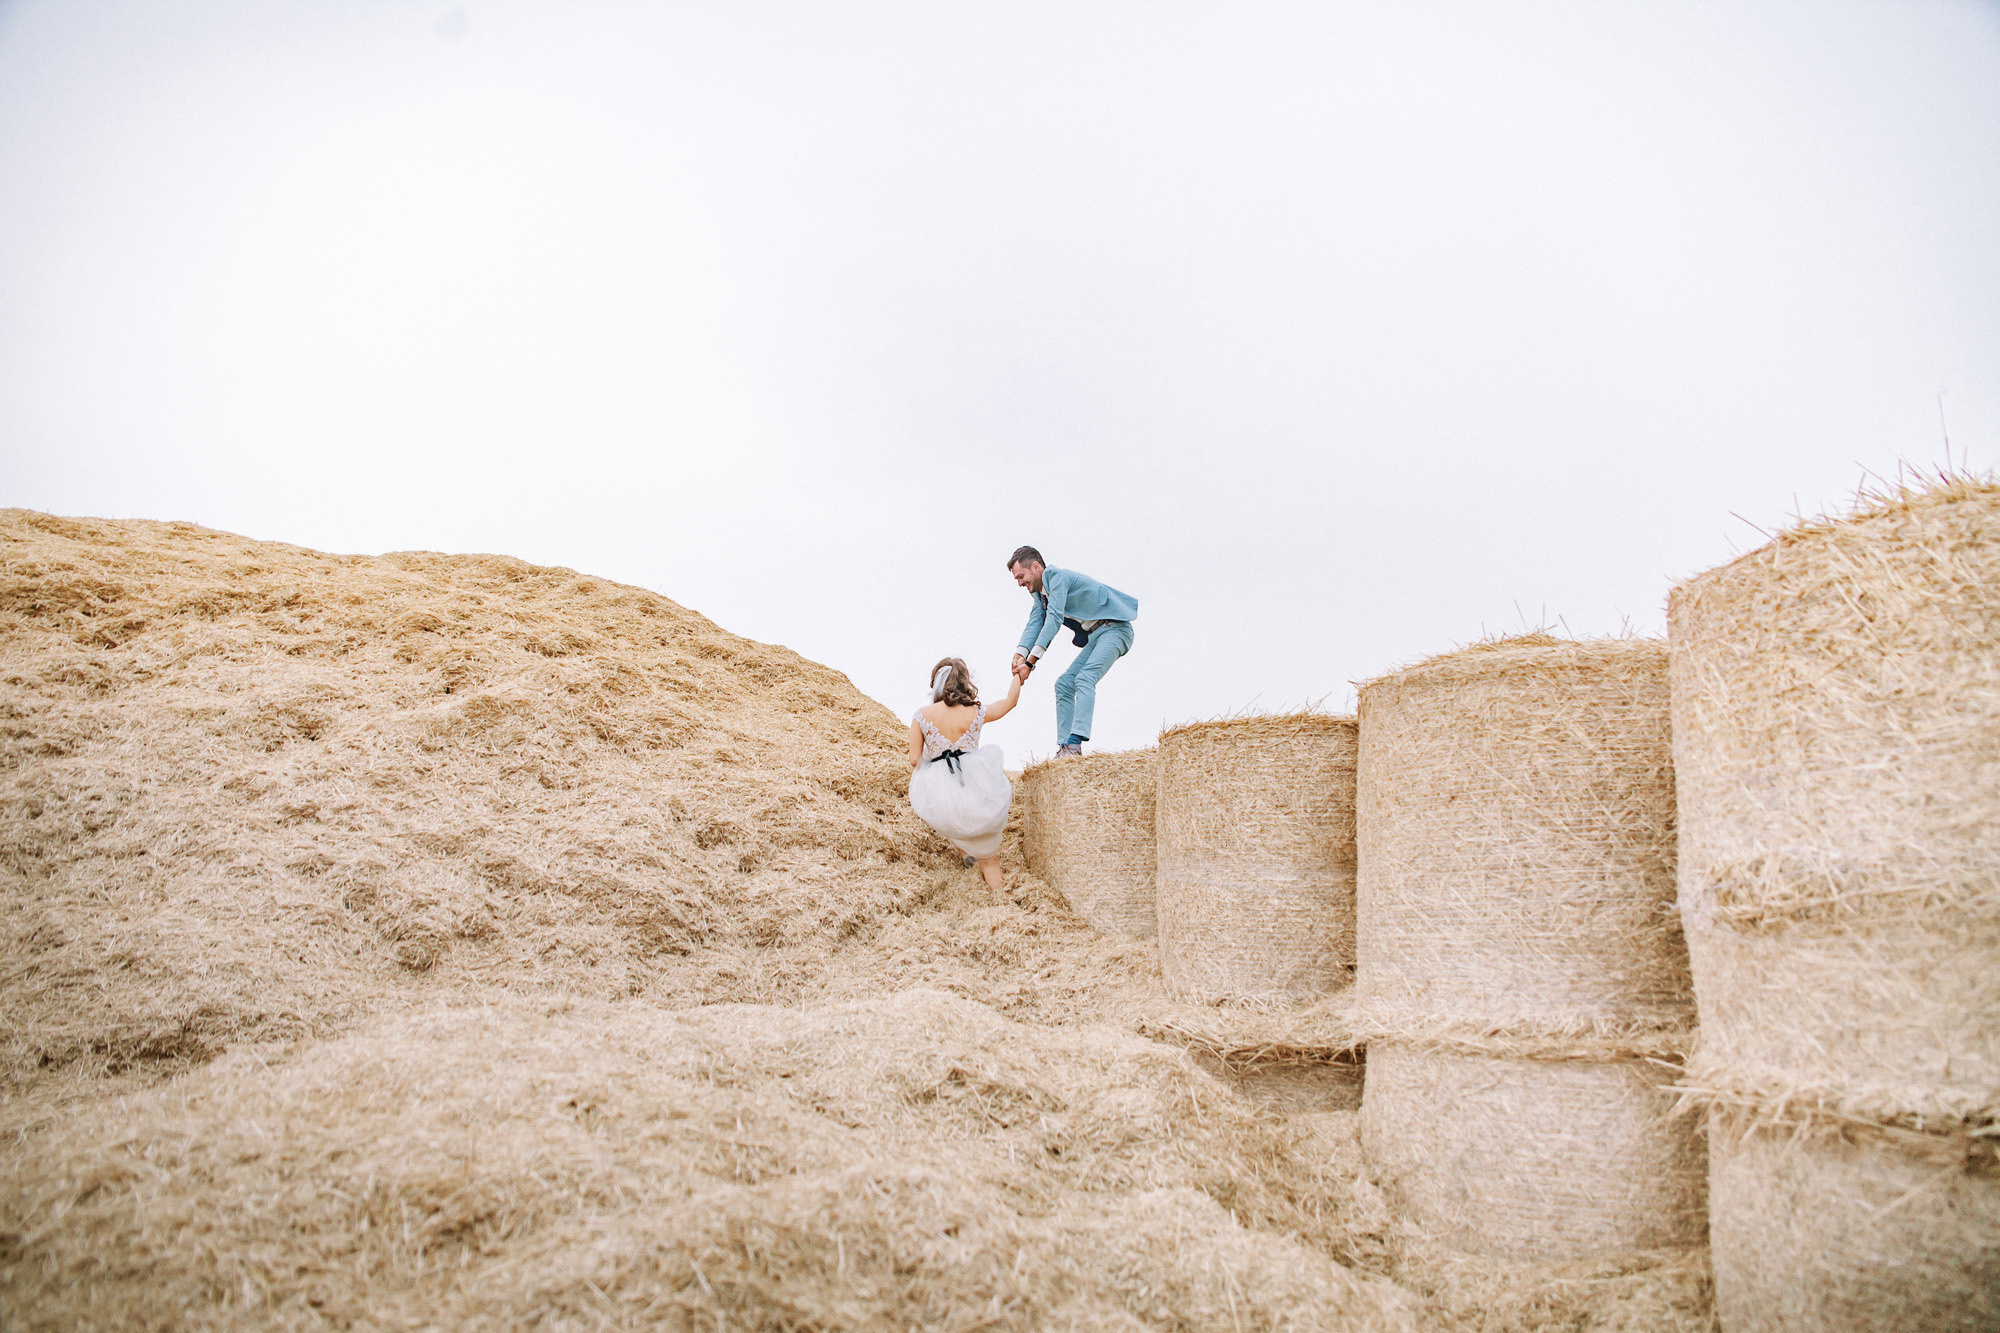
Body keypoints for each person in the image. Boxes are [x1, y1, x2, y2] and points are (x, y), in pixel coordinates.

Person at [1006, 546, 1138, 757]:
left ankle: (1075, 744)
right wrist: (1019, 654)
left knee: (1085, 678)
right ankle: (1065, 750)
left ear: (1036, 566)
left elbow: (1054, 619)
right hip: (1095, 636)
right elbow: (1035, 622)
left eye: (1021, 576)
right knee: (1064, 684)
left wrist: (1030, 663)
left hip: (1115, 629)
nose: (1020, 583)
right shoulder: (1041, 595)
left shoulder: (1056, 577)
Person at [906, 656, 1020, 893]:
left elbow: (914, 759)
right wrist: (1020, 674)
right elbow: (1010, 702)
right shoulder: (976, 712)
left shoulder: (921, 715)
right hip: (976, 783)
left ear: (937, 682)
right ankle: (1001, 900)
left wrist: (936, 755)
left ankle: (965, 852)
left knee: (953, 817)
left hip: (943, 789)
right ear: (964, 681)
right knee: (989, 859)